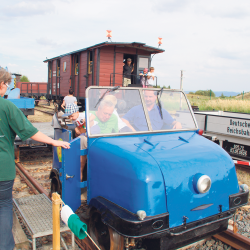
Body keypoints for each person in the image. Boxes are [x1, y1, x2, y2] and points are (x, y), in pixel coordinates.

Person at [0, 68, 70, 250]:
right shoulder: (7, 107)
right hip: (2, 170)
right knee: (3, 207)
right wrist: (55, 142)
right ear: (1, 84)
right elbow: (31, 132)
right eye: (6, 85)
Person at [62, 103, 97, 181]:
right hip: (85, 133)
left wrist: (87, 119)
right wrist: (77, 129)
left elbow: (93, 116)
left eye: (72, 116)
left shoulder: (82, 115)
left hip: (93, 129)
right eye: (69, 116)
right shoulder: (75, 119)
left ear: (77, 112)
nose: (71, 118)